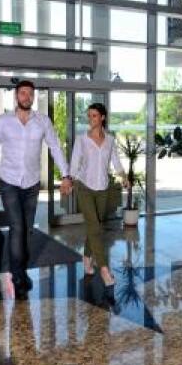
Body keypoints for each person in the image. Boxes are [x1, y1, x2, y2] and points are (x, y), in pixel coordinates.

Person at [0, 80, 72, 299]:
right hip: (9, 181)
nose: (27, 97)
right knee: (17, 228)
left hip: (32, 183)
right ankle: (18, 275)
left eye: (30, 94)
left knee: (26, 230)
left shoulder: (42, 121)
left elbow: (55, 147)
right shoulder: (3, 121)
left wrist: (66, 175)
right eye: (23, 93)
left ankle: (20, 269)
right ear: (16, 96)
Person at [70, 103, 127, 287]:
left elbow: (115, 160)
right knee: (95, 228)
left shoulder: (110, 140)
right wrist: (69, 180)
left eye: (94, 115)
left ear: (102, 117)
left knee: (95, 226)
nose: (90, 119)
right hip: (84, 187)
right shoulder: (81, 139)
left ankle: (87, 257)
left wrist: (123, 176)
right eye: (89, 115)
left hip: (103, 188)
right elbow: (75, 162)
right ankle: (104, 269)